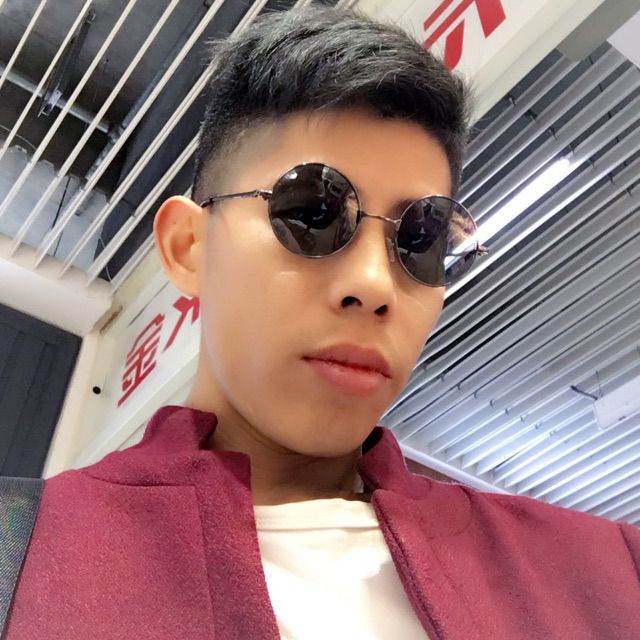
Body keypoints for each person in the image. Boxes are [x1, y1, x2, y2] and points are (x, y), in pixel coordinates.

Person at [5, 6, 640, 640]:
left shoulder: (607, 572)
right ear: (190, 248)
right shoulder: (22, 556)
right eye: (311, 214)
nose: (375, 284)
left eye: (421, 241)